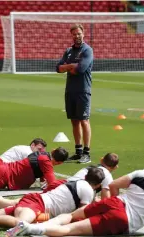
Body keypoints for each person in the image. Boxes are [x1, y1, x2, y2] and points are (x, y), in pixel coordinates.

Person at [7, 153, 144, 236]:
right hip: (123, 219)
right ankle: (30, 229)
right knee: (71, 231)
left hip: (114, 203)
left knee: (70, 217)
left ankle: (29, 225)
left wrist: (109, 204)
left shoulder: (142, 173)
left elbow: (114, 185)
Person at [0, 152, 119, 214]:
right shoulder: (106, 176)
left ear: (101, 160)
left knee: (22, 203)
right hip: (66, 191)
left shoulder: (94, 169)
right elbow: (104, 200)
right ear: (115, 167)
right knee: (22, 205)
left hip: (65, 187)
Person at [56, 24, 94, 164]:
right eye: (74, 34)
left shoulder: (87, 50)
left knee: (84, 120)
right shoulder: (69, 51)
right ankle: (78, 151)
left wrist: (68, 66)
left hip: (83, 90)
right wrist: (71, 66)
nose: (77, 36)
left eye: (79, 33)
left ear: (83, 33)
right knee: (74, 121)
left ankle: (87, 153)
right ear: (71, 35)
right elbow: (58, 68)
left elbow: (81, 69)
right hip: (70, 90)